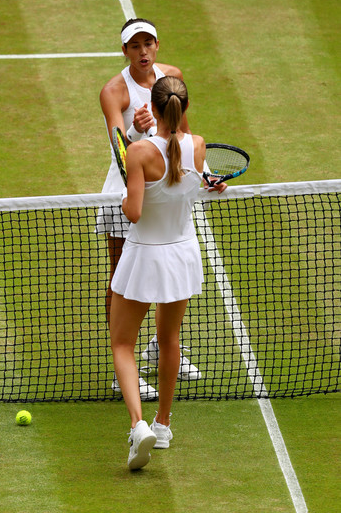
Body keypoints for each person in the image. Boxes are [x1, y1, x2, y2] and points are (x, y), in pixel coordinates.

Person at [109, 76, 227, 470]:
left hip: (145, 256)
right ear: (183, 108)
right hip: (183, 255)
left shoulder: (140, 152)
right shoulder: (197, 145)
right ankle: (162, 424)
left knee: (123, 344)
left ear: (153, 109)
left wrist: (128, 191)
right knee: (169, 339)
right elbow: (198, 180)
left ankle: (137, 424)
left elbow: (134, 213)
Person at [96, 18, 200, 400]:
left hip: (165, 180)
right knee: (122, 276)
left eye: (148, 43)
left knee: (167, 267)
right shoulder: (113, 91)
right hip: (125, 187)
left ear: (156, 46)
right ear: (124, 50)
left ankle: (160, 347)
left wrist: (199, 172)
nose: (142, 51)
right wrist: (138, 131)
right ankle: (121, 368)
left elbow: (183, 130)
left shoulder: (171, 77)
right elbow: (118, 147)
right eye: (134, 45)